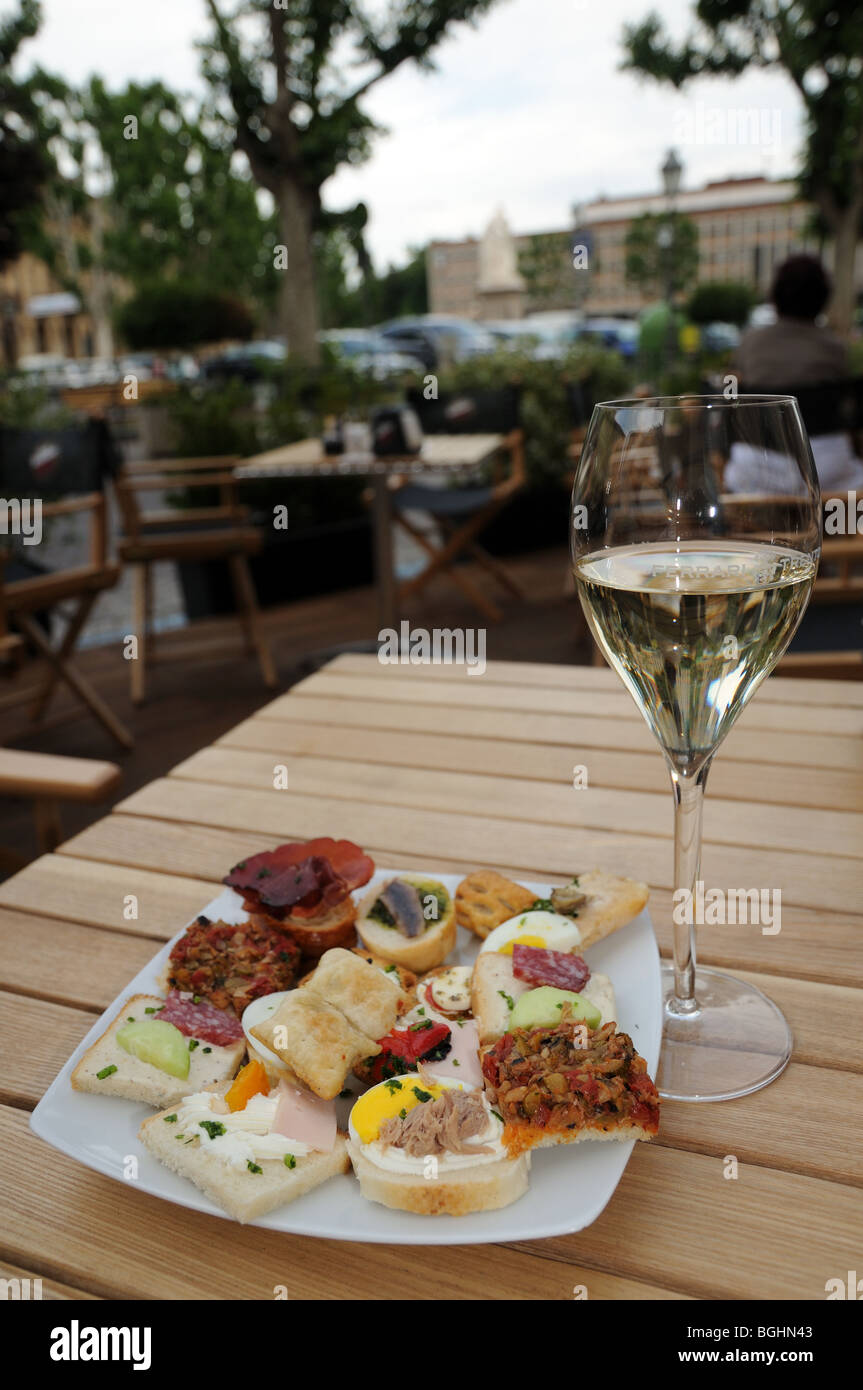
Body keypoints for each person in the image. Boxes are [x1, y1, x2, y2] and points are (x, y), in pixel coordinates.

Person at [725, 254, 863, 494]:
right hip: (827, 469)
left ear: (775, 295)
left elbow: (731, 392)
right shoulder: (835, 347)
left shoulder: (750, 342)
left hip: (758, 466)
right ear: (822, 298)